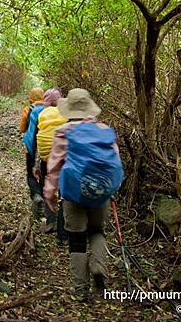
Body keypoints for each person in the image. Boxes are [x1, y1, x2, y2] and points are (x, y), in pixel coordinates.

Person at [44, 88, 123, 299]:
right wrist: (111, 189)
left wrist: (50, 195)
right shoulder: (103, 130)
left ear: (68, 108)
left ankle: (80, 291)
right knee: (97, 231)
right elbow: (114, 162)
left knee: (77, 239)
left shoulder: (63, 132)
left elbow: (53, 169)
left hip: (72, 193)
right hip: (101, 192)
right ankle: (98, 267)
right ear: (89, 107)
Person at [35, 88, 68, 237]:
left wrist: (35, 163)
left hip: (46, 159)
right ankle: (64, 226)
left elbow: (38, 137)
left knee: (48, 189)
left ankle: (50, 223)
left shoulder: (42, 114)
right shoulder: (66, 113)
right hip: (63, 158)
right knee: (64, 191)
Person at [20, 87, 45, 216]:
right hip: (46, 146)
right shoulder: (49, 109)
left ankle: (36, 194)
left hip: (32, 146)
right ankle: (44, 198)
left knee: (31, 173)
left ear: (31, 97)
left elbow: (23, 128)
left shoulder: (28, 110)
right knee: (43, 172)